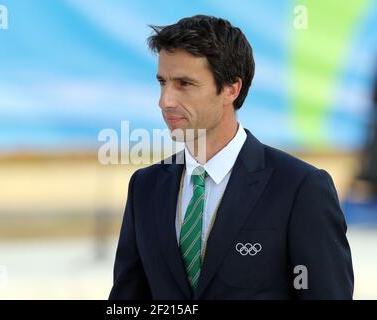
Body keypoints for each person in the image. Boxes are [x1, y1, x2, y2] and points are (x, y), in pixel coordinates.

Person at [109, 15, 354, 300]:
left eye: (184, 84)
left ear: (231, 89)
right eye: (162, 82)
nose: (165, 100)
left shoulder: (301, 187)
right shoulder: (145, 187)